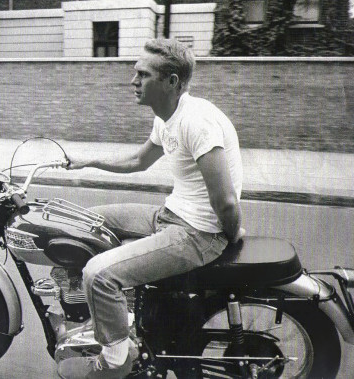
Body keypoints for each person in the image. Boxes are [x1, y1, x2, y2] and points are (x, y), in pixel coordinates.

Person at [57, 38, 244, 379]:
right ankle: (105, 313)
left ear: (171, 82)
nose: (133, 81)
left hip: (198, 233)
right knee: (81, 222)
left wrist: (232, 236)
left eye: (142, 75)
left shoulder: (195, 123)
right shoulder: (168, 116)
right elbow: (139, 160)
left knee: (98, 274)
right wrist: (89, 161)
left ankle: (117, 357)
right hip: (173, 214)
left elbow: (226, 201)